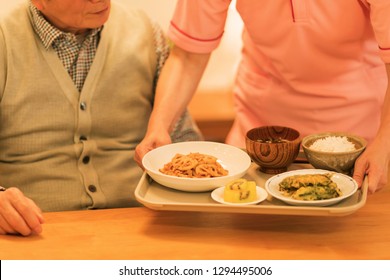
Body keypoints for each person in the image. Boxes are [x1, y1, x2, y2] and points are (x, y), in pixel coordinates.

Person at [135, 0, 390, 194]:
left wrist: (385, 141)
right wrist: (159, 126)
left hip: (359, 143)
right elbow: (189, 55)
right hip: (258, 143)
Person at [0, 0, 201, 236]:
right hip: (37, 229)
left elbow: (181, 138)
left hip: (144, 224)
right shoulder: (6, 40)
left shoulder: (144, 32)